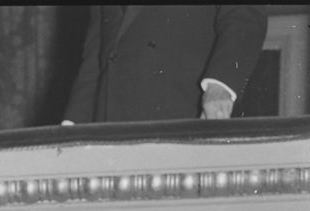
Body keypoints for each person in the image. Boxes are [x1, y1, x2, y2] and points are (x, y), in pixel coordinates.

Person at [62, 5, 268, 124]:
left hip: (181, 121)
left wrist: (219, 87)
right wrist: (70, 127)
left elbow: (245, 18)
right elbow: (95, 57)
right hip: (109, 131)